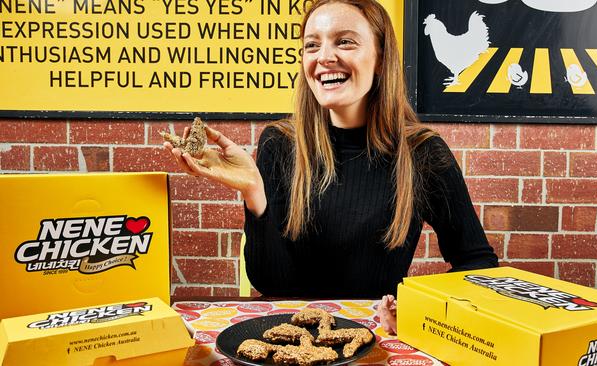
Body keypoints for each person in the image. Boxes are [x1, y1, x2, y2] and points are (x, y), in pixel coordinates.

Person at [164, 0, 498, 335]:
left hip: (378, 340)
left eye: (345, 41)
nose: (324, 57)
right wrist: (254, 191)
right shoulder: (279, 143)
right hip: (289, 342)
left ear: (380, 58)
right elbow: (273, 285)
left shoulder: (422, 153)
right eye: (312, 45)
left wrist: (419, 311)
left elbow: (478, 264)